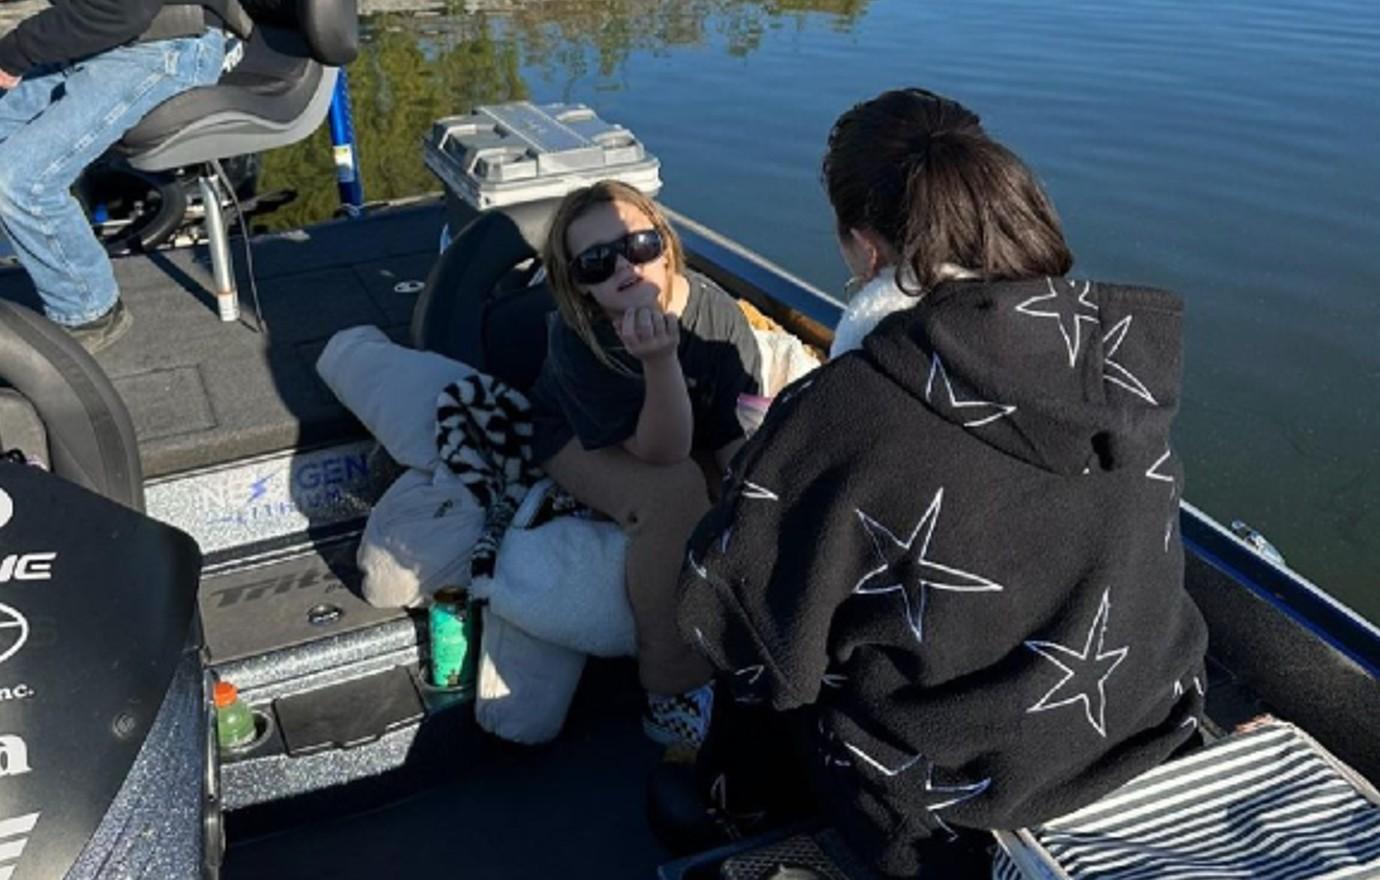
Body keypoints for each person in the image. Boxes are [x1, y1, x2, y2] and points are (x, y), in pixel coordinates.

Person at [672, 88, 1210, 876]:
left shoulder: (847, 409)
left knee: (768, 652)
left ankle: (738, 804)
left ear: (864, 250)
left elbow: (724, 621)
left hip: (952, 809)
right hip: (1147, 732)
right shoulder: (1121, 368)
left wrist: (770, 476)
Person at [529, 180, 761, 749]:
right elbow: (663, 454)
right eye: (596, 263)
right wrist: (659, 362)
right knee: (674, 493)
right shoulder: (576, 337)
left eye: (638, 244)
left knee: (753, 491)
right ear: (578, 287)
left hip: (681, 430)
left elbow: (735, 437)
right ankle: (671, 687)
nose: (624, 267)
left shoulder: (716, 315)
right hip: (582, 438)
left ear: (665, 244)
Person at [0, 0, 246, 352]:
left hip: (164, 44)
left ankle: (89, 311)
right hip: (102, 37)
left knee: (18, 181)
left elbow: (124, 10)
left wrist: (14, 52)